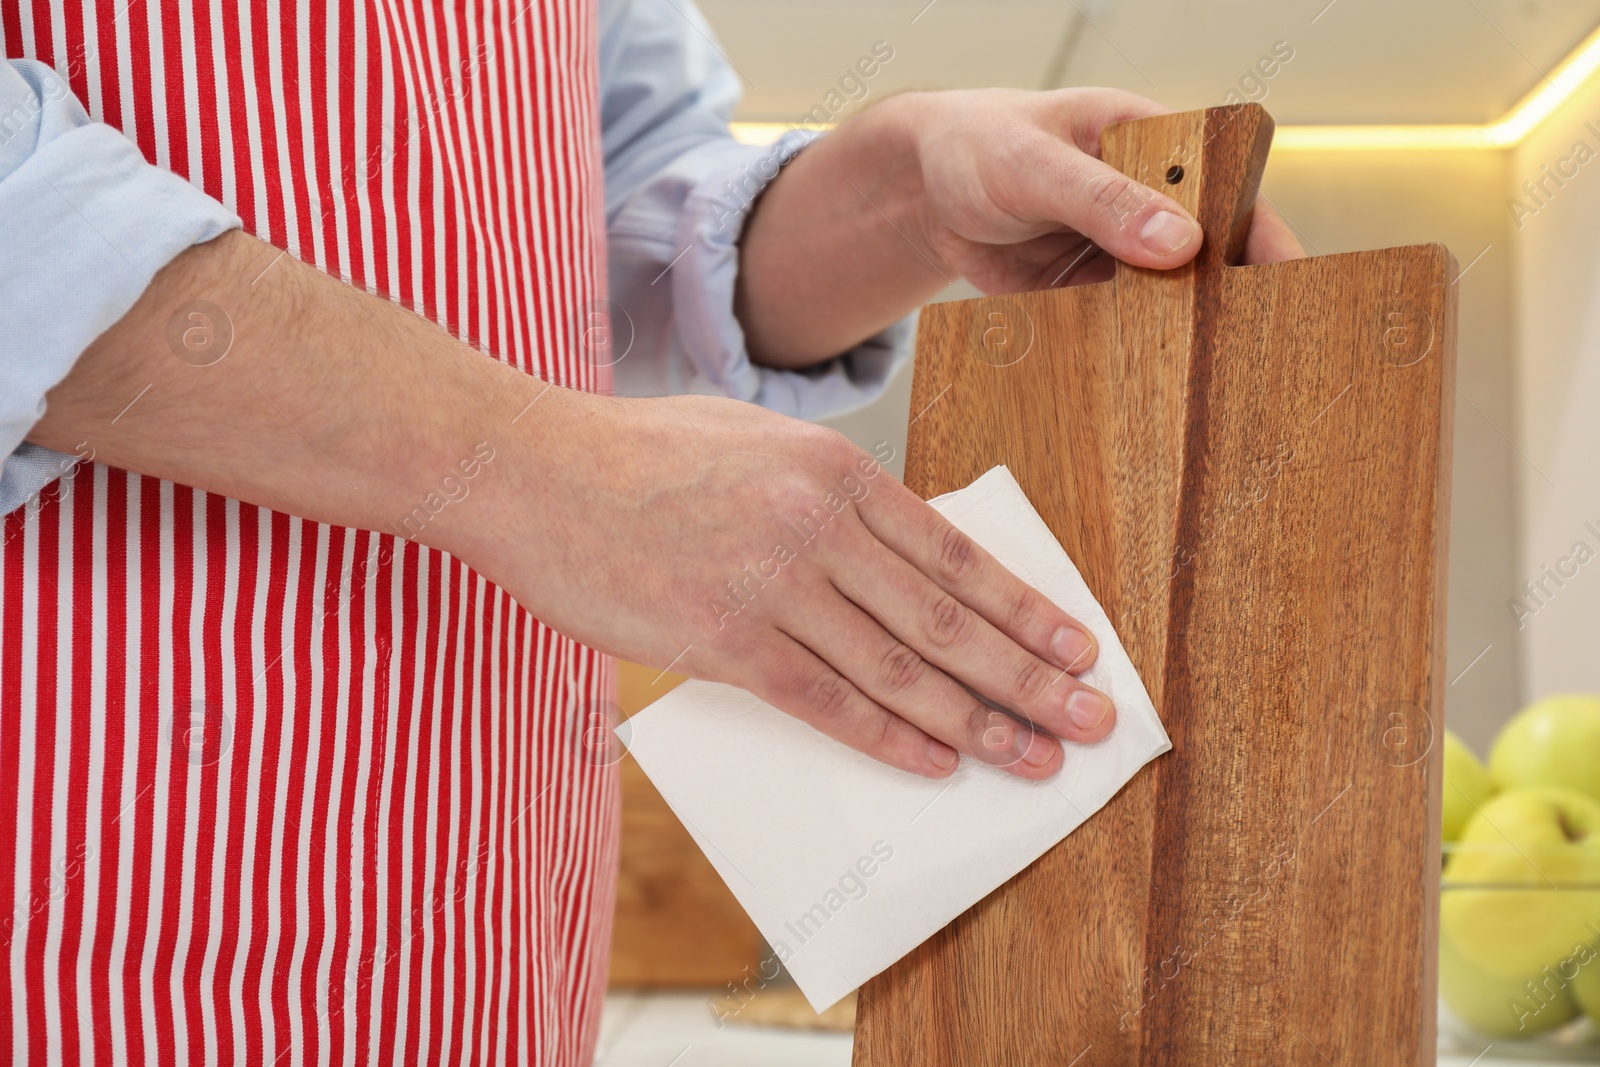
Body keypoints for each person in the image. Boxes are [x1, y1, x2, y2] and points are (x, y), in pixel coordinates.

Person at [0, 0, 1302, 1062]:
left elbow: (605, 256)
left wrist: (902, 194)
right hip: (94, 957)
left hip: (485, 970)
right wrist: (525, 463)